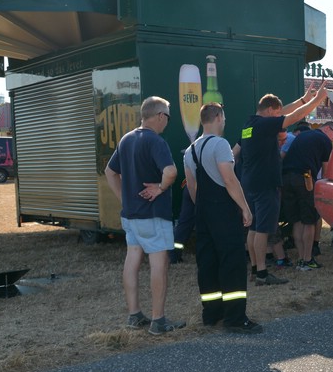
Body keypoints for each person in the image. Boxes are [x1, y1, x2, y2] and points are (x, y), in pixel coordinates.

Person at [104, 96, 184, 335]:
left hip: (131, 216)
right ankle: (158, 321)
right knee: (159, 263)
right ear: (160, 116)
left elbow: (110, 172)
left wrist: (125, 199)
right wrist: (160, 188)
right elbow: (171, 171)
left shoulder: (127, 139)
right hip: (152, 214)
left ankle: (134, 314)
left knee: (132, 260)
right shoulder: (155, 141)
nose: (167, 123)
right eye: (167, 117)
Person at [184, 103, 260, 333]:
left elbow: (191, 186)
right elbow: (229, 180)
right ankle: (235, 318)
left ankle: (211, 314)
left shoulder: (191, 150)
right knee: (232, 262)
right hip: (223, 212)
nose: (225, 122)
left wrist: (203, 210)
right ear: (217, 117)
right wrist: (245, 208)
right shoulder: (221, 144)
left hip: (203, 212)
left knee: (207, 263)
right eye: (223, 117)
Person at [240, 83, 326, 285]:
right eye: (276, 113)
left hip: (250, 183)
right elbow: (292, 117)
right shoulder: (264, 125)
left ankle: (254, 269)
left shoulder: (250, 124)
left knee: (253, 229)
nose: (279, 119)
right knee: (262, 229)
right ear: (270, 111)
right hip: (265, 184)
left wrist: (303, 100)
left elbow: (284, 112)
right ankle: (262, 274)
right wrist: (317, 100)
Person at [282, 121, 333, 270]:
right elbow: (326, 173)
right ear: (328, 128)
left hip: (286, 179)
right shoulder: (325, 141)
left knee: (298, 221)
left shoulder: (303, 135)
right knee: (309, 221)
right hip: (304, 178)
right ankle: (307, 260)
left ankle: (301, 258)